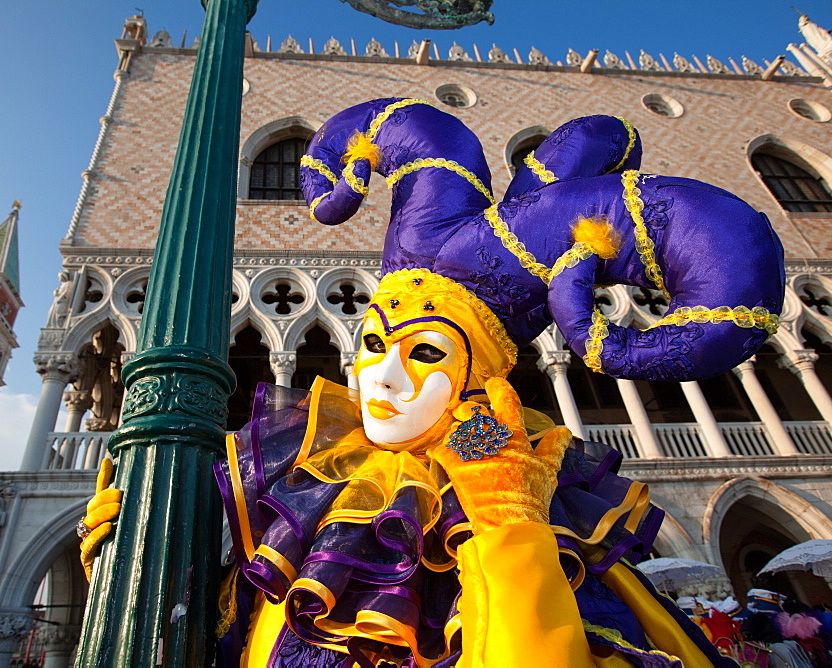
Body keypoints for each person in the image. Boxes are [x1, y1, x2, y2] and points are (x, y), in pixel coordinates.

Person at [80, 99, 784, 666]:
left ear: (475, 374)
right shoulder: (309, 482)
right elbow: (210, 626)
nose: (381, 376)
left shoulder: (523, 502)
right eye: (376, 344)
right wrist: (131, 545)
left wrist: (508, 533)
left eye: (422, 354)